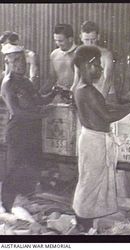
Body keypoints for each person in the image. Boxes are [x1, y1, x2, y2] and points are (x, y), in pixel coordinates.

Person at [72, 45, 130, 232]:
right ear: (86, 66)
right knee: (91, 183)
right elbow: (105, 115)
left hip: (92, 139)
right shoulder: (87, 90)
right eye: (97, 65)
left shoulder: (82, 88)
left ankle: (87, 221)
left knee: (92, 181)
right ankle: (82, 223)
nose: (100, 69)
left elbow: (103, 108)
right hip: (94, 141)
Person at [0, 43, 63, 221]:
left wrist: (53, 93)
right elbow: (16, 111)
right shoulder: (8, 83)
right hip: (18, 133)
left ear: (25, 60)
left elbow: (39, 99)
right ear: (7, 63)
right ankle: (6, 208)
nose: (18, 65)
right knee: (14, 172)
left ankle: (24, 206)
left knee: (31, 169)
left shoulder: (26, 81)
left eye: (20, 60)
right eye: (13, 62)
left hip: (32, 133)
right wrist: (41, 114)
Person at [70, 21, 115, 102]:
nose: (90, 43)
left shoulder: (106, 54)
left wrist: (101, 100)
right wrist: (72, 95)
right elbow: (76, 79)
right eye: (86, 40)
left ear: (98, 37)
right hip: (89, 96)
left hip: (106, 95)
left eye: (93, 40)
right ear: (81, 37)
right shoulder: (78, 53)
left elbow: (107, 80)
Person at [43, 24, 77, 95]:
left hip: (77, 95)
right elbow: (52, 78)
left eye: (61, 41)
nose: (57, 44)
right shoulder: (54, 54)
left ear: (70, 39)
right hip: (59, 95)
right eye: (56, 40)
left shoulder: (80, 53)